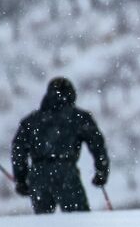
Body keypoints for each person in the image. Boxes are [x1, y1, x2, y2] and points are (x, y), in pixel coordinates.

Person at [11, 78, 109, 214]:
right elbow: (97, 145)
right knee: (79, 221)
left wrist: (21, 179)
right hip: (66, 172)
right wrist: (101, 171)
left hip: (38, 175)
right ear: (71, 94)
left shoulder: (31, 121)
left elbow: (18, 150)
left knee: (43, 225)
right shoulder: (79, 118)